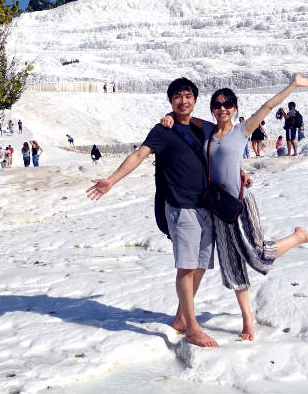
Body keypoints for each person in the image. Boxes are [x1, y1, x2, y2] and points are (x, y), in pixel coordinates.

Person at [164, 77, 308, 341]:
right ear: (212, 108)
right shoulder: (206, 133)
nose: (222, 108)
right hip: (216, 207)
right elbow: (183, 115)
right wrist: (168, 115)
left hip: (239, 203)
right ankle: (247, 320)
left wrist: (293, 85)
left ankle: (299, 236)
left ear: (235, 108)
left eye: (227, 104)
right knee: (232, 263)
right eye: (217, 104)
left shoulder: (242, 130)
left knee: (258, 255)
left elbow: (268, 106)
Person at [86, 78, 219, 348]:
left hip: (207, 205)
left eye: (188, 95)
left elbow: (224, 152)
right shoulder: (162, 130)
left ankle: (183, 318)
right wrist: (111, 180)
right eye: (178, 97)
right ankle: (192, 328)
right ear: (170, 101)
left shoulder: (204, 128)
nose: (183, 101)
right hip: (180, 206)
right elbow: (139, 155)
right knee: (186, 266)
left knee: (202, 264)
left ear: (195, 99)